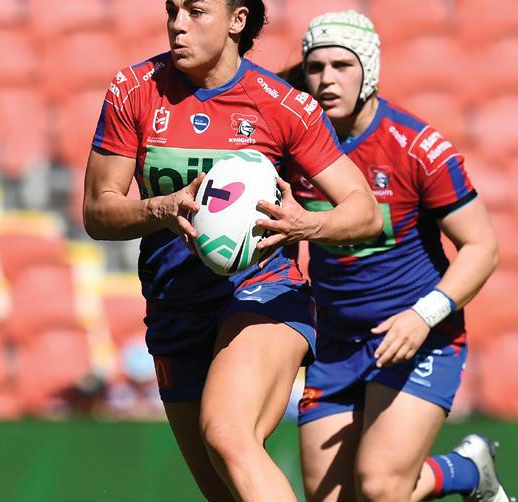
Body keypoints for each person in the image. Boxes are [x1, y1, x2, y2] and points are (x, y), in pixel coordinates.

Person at [82, 1, 383, 499]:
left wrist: (305, 225)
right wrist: (161, 208)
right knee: (225, 489)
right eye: (172, 10)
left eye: (196, 11)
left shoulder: (282, 105)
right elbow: (98, 211)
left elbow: (364, 211)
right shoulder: (134, 89)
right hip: (175, 305)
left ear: (237, 21)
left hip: (264, 294)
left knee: (228, 434)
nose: (178, 25)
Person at [281, 10, 513, 502]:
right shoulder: (295, 145)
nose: (326, 79)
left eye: (342, 65)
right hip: (336, 344)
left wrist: (423, 316)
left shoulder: (417, 147)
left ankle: (464, 471)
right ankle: (466, 469)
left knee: (380, 487)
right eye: (315, 67)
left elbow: (482, 247)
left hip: (416, 337)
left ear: (369, 70)